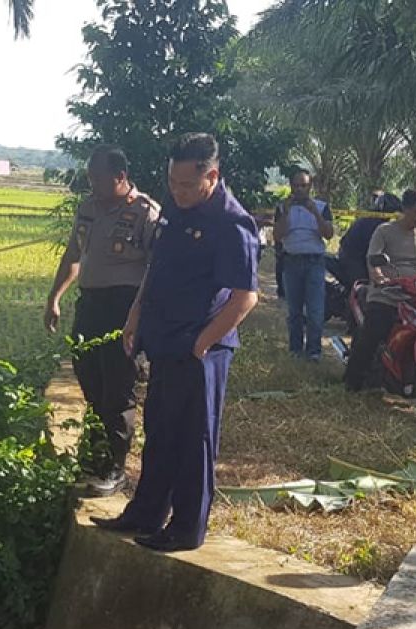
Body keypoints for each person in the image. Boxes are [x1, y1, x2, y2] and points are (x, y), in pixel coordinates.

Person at [90, 133, 259, 552]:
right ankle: (146, 513)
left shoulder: (230, 222)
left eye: (186, 185)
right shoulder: (177, 213)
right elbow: (158, 268)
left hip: (201, 351)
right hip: (164, 339)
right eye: (172, 183)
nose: (178, 192)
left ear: (212, 175)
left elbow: (245, 297)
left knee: (193, 441)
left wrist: (201, 344)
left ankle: (186, 529)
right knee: (160, 432)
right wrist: (135, 314)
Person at [45, 145, 160, 496]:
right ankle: (93, 457)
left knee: (118, 387)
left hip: (124, 309)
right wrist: (54, 298)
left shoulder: (146, 212)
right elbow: (73, 255)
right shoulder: (89, 209)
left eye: (97, 178)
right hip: (90, 305)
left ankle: (115, 466)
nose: (92, 183)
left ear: (120, 177)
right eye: (90, 177)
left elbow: (158, 269)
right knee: (90, 380)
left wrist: (141, 317)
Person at [344, 188, 416, 391]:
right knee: (373, 331)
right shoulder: (384, 231)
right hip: (387, 293)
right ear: (404, 209)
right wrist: (378, 276)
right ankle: (352, 382)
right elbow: (373, 259)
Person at [273, 168, 334, 361]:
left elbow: (329, 234)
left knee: (316, 310)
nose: (299, 190)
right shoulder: (282, 207)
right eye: (296, 185)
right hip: (291, 261)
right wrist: (286, 212)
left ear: (310, 187)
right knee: (294, 311)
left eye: (304, 186)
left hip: (314, 262)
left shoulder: (322, 206)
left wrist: (315, 213)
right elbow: (277, 235)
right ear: (290, 186)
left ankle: (314, 351)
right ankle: (295, 350)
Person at [336, 192, 401, 288]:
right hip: (353, 258)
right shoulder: (374, 223)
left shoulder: (375, 220)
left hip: (357, 255)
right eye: (390, 211)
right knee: (363, 287)